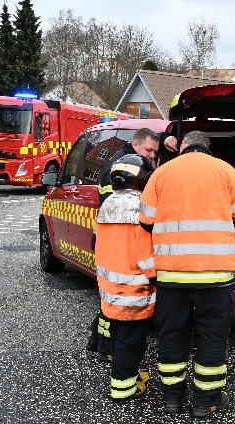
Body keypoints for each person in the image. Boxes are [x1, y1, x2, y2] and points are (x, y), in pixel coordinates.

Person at [138, 130, 235, 417]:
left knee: (172, 335)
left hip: (172, 275)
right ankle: (206, 401)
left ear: (184, 147)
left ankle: (172, 399)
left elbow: (145, 222)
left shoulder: (163, 172)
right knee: (213, 337)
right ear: (207, 148)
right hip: (216, 275)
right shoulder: (226, 171)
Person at [87, 128, 162, 360]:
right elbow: (125, 204)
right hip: (120, 238)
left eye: (155, 152)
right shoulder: (122, 167)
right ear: (136, 144)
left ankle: (98, 343)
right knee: (114, 303)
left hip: (109, 237)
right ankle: (106, 348)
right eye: (149, 150)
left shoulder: (126, 162)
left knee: (109, 300)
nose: (152, 155)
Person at [94, 154, 157, 402]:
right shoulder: (141, 208)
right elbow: (146, 256)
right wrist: (158, 278)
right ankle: (123, 388)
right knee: (132, 343)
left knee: (120, 336)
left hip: (110, 289)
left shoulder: (108, 204)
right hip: (135, 292)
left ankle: (126, 376)